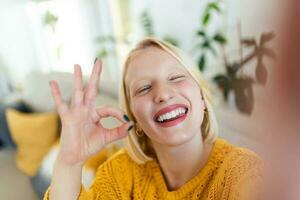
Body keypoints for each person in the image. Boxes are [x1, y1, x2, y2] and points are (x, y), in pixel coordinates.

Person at [44, 38, 262, 200]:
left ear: (202, 98)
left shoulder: (245, 175)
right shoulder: (119, 174)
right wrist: (68, 163)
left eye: (176, 77)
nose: (163, 94)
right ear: (134, 117)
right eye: (144, 88)